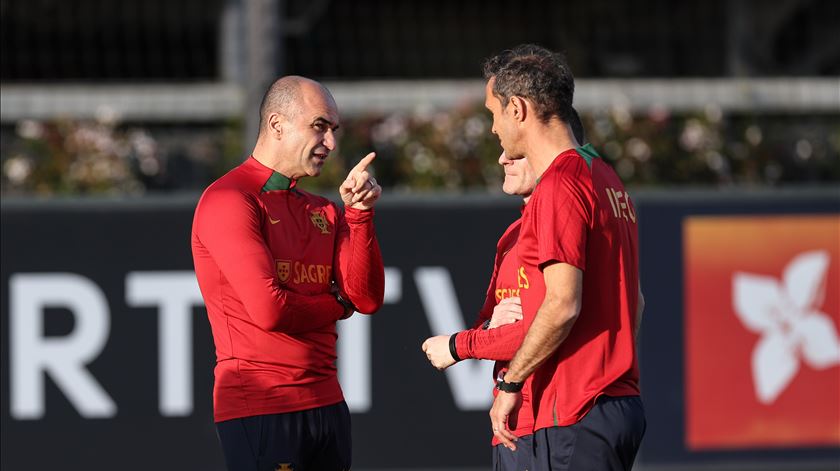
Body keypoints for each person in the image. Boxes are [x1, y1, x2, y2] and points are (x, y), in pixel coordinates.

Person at [191, 75, 385, 471]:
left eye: (333, 130)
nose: (330, 143)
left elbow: (365, 298)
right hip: (263, 406)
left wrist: (360, 216)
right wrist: (336, 303)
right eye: (319, 126)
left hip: (328, 404)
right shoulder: (230, 199)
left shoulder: (324, 209)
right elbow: (271, 310)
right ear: (277, 125)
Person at [483, 45, 645, 470]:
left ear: (517, 108)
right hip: (613, 403)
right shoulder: (607, 179)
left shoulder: (560, 183)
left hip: (575, 411)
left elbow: (561, 304)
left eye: (493, 113)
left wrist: (510, 382)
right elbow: (636, 302)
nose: (493, 129)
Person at [421, 109, 586, 471]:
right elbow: (491, 324)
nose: (502, 158)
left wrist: (457, 345)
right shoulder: (511, 236)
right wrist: (487, 330)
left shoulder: (563, 220)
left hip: (551, 419)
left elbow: (541, 324)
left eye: (517, 152)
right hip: (514, 425)